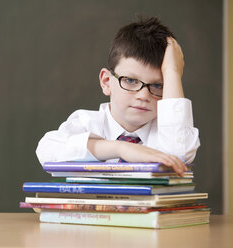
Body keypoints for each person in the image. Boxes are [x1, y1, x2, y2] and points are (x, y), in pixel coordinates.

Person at [36, 17, 200, 176]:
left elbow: (178, 158)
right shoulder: (87, 122)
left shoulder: (167, 134)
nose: (143, 95)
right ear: (107, 81)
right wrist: (121, 148)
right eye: (130, 80)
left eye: (158, 85)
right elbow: (46, 150)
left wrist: (172, 72)